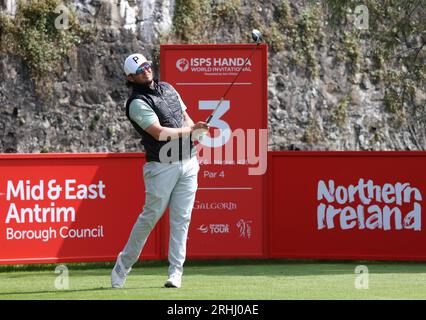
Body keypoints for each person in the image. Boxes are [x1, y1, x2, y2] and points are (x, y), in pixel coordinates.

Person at [111, 53, 209, 289]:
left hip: (188, 162)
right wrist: (190, 131)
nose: (145, 70)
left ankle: (175, 273)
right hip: (161, 167)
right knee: (150, 217)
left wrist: (197, 130)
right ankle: (123, 264)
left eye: (146, 65)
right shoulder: (137, 103)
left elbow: (184, 116)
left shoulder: (168, 88)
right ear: (131, 78)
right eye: (139, 70)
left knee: (181, 219)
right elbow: (158, 133)